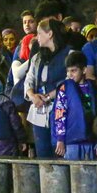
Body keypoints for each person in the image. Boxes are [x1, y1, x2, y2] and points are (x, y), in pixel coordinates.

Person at [25, 18, 70, 159]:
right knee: (42, 153)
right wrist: (32, 95)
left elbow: (71, 82)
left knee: (59, 153)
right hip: (39, 111)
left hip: (60, 112)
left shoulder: (69, 54)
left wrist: (49, 96)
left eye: (39, 33)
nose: (36, 37)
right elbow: (29, 79)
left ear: (49, 34)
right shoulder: (37, 57)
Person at [53, 51, 97, 160]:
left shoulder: (93, 87)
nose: (70, 75)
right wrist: (60, 139)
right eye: (68, 71)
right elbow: (60, 114)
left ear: (84, 70)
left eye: (73, 71)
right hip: (71, 142)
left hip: (91, 140)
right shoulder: (65, 88)